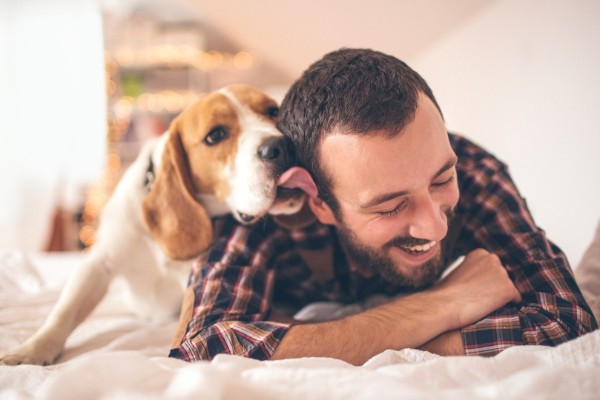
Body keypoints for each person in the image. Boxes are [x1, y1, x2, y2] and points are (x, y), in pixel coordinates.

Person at [168, 48, 597, 365]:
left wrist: (317, 342)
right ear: (318, 202)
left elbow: (566, 320)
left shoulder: (474, 170)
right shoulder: (268, 201)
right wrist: (443, 304)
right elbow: (202, 349)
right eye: (389, 207)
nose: (434, 227)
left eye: (442, 180)